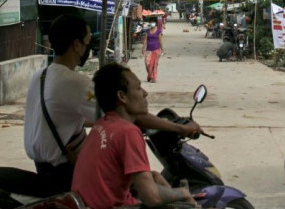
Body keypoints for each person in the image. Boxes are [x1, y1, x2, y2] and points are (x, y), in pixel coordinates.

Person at [72, 63, 285, 209]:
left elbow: (144, 121)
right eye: (138, 88)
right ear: (122, 96)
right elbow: (152, 196)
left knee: (159, 179)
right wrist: (182, 194)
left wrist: (178, 128)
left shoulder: (104, 125)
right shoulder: (128, 133)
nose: (145, 93)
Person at [24, 15, 199, 192]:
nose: (88, 48)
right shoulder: (74, 82)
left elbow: (62, 117)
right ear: (76, 45)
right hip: (65, 169)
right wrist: (181, 129)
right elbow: (130, 115)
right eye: (86, 43)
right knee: (143, 187)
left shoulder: (40, 75)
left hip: (44, 165)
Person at [142, 17, 163, 83]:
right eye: (150, 22)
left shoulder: (158, 31)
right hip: (148, 50)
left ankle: (153, 78)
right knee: (147, 63)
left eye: (153, 22)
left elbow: (160, 41)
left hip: (156, 49)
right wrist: (143, 48)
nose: (152, 23)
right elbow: (145, 40)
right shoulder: (147, 31)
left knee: (154, 64)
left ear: (155, 23)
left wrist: (162, 49)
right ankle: (149, 75)